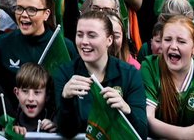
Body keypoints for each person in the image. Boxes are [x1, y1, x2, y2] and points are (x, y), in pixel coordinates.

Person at [53, 8, 148, 139]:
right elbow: (67, 132)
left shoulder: (130, 74)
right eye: (79, 35)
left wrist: (126, 110)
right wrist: (66, 99)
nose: (84, 41)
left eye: (92, 35)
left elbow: (142, 134)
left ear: (109, 40)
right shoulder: (65, 73)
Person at [142, 16, 194, 139]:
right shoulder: (149, 66)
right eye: (167, 39)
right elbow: (147, 118)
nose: (173, 46)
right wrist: (185, 134)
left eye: (181, 41)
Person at [12, 63, 56, 133]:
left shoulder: (54, 118)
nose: (30, 98)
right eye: (25, 91)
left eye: (37, 92)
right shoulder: (10, 118)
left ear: (47, 95)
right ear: (17, 93)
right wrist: (11, 131)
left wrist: (57, 128)